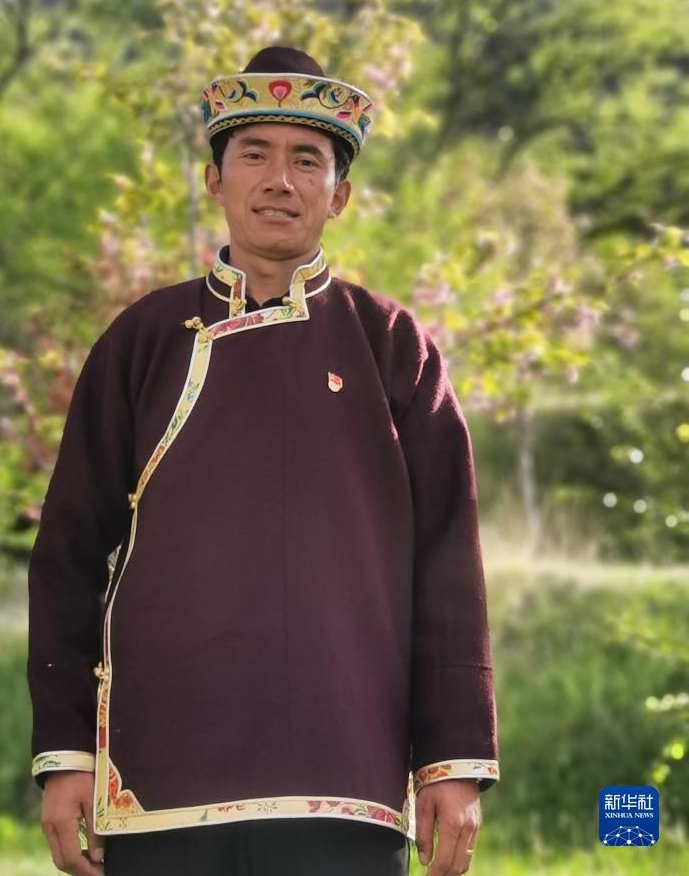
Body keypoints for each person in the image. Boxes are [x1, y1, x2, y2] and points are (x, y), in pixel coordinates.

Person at [28, 46, 499, 876]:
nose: (280, 180)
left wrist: (451, 761)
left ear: (339, 194)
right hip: (158, 774)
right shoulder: (141, 341)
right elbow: (68, 555)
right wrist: (66, 751)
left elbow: (448, 564)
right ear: (215, 179)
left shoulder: (395, 347)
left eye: (307, 160)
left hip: (346, 774)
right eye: (255, 154)